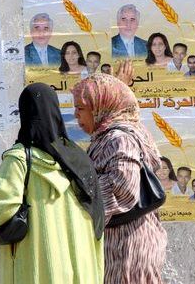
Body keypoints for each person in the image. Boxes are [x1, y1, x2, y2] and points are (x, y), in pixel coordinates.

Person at [0, 83, 104, 284]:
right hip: (79, 267)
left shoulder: (19, 160)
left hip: (40, 268)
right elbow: (98, 217)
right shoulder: (78, 159)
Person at [71, 74, 167, 283]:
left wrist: (77, 196)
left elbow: (123, 187)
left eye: (80, 108)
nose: (75, 115)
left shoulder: (119, 139)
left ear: (100, 106)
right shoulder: (112, 134)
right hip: (124, 247)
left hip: (128, 249)